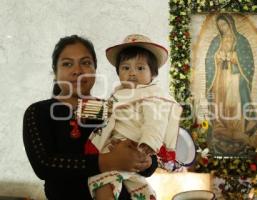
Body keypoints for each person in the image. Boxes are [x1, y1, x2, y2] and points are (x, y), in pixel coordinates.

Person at [23, 35, 158, 200]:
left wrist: (147, 162)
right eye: (67, 64)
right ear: (55, 71)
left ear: (95, 69)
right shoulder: (39, 111)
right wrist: (108, 161)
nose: (77, 70)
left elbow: (147, 156)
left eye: (86, 63)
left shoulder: (110, 108)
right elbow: (44, 165)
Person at [86, 34, 182, 200]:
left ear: (152, 74)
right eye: (125, 68)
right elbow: (107, 119)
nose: (132, 73)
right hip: (114, 149)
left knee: (108, 183)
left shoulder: (152, 96)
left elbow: (156, 122)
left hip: (138, 148)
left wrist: (149, 144)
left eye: (140, 68)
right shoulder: (119, 95)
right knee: (120, 185)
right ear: (118, 73)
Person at [205, 14, 257, 155]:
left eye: (224, 24)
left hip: (235, 77)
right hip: (219, 77)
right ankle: (221, 128)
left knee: (234, 103)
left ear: (230, 24)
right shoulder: (216, 41)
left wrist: (235, 58)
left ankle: (237, 130)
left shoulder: (241, 41)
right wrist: (217, 58)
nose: (222, 28)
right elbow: (209, 59)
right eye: (220, 26)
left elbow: (248, 61)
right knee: (220, 101)